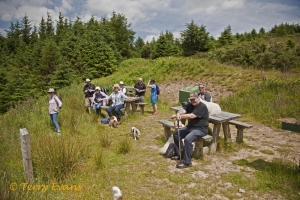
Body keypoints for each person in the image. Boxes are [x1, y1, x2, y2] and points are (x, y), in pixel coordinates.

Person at [170, 92, 209, 169]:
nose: (192, 101)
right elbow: (183, 110)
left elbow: (192, 116)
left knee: (188, 139)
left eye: (194, 99)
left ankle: (187, 162)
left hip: (200, 129)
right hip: (190, 127)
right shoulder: (190, 104)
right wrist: (178, 113)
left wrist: (180, 116)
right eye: (191, 100)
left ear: (198, 98)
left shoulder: (202, 106)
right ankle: (180, 154)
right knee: (176, 135)